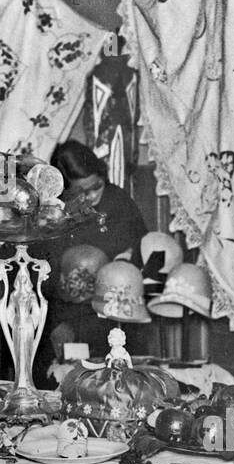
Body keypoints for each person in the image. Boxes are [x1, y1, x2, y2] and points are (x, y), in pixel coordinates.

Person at [28, 140, 148, 386]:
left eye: (97, 186)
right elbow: (36, 276)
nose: (92, 196)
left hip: (114, 317)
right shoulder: (51, 212)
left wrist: (128, 261)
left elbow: (141, 253)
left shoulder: (119, 203)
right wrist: (55, 323)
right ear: (64, 189)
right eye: (81, 192)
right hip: (61, 319)